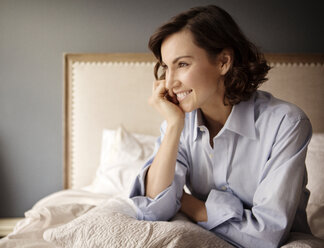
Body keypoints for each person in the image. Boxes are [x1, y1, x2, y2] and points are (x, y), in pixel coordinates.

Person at [129, 5, 312, 248]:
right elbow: (153, 209)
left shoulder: (286, 124)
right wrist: (173, 127)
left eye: (182, 64)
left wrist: (186, 202)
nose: (170, 83)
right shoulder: (179, 123)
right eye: (166, 67)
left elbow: (266, 236)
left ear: (224, 62)